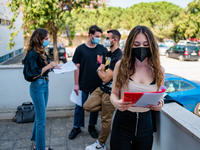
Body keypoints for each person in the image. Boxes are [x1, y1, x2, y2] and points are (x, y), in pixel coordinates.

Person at [110, 25, 165, 150]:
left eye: (146, 44)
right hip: (122, 123)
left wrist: (160, 103)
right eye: (136, 44)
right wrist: (117, 103)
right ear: (130, 45)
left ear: (151, 46)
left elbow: (160, 95)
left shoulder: (159, 70)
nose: (141, 48)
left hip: (146, 126)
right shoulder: (120, 66)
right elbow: (113, 93)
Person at [83, 30, 123, 150]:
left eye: (107, 38)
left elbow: (105, 77)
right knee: (87, 106)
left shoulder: (118, 56)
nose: (105, 40)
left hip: (110, 91)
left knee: (106, 121)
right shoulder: (109, 54)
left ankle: (101, 145)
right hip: (101, 89)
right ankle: (110, 108)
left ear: (114, 40)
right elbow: (104, 69)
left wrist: (98, 71)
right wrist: (102, 70)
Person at [68, 25, 108, 140]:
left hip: (97, 85)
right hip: (83, 84)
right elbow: (77, 68)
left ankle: (92, 126)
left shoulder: (102, 50)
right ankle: (77, 127)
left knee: (94, 107)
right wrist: (76, 84)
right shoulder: (80, 49)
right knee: (79, 106)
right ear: (90, 35)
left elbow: (105, 66)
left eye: (100, 36)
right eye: (96, 36)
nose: (98, 38)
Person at [23, 28, 60, 150]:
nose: (48, 41)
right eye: (46, 39)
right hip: (37, 87)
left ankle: (37, 145)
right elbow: (32, 74)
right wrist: (48, 66)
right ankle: (40, 148)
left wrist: (53, 67)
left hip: (44, 85)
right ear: (39, 39)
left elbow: (43, 68)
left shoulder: (40, 52)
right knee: (41, 121)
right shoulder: (32, 55)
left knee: (39, 118)